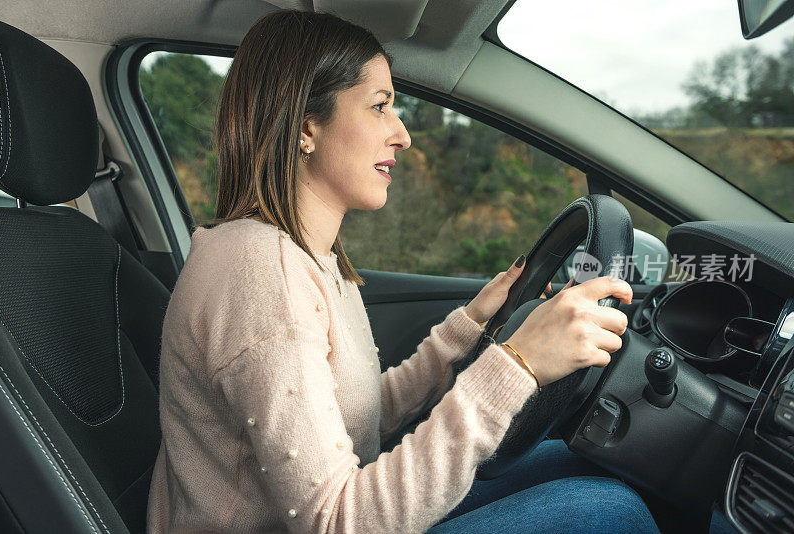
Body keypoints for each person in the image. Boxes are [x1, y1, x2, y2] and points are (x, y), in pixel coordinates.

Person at [146, 8, 660, 533]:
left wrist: (471, 325)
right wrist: (518, 366)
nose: (402, 135)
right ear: (307, 126)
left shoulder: (309, 258)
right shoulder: (259, 270)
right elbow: (337, 521)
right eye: (380, 106)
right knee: (608, 510)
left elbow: (359, 421)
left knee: (581, 463)